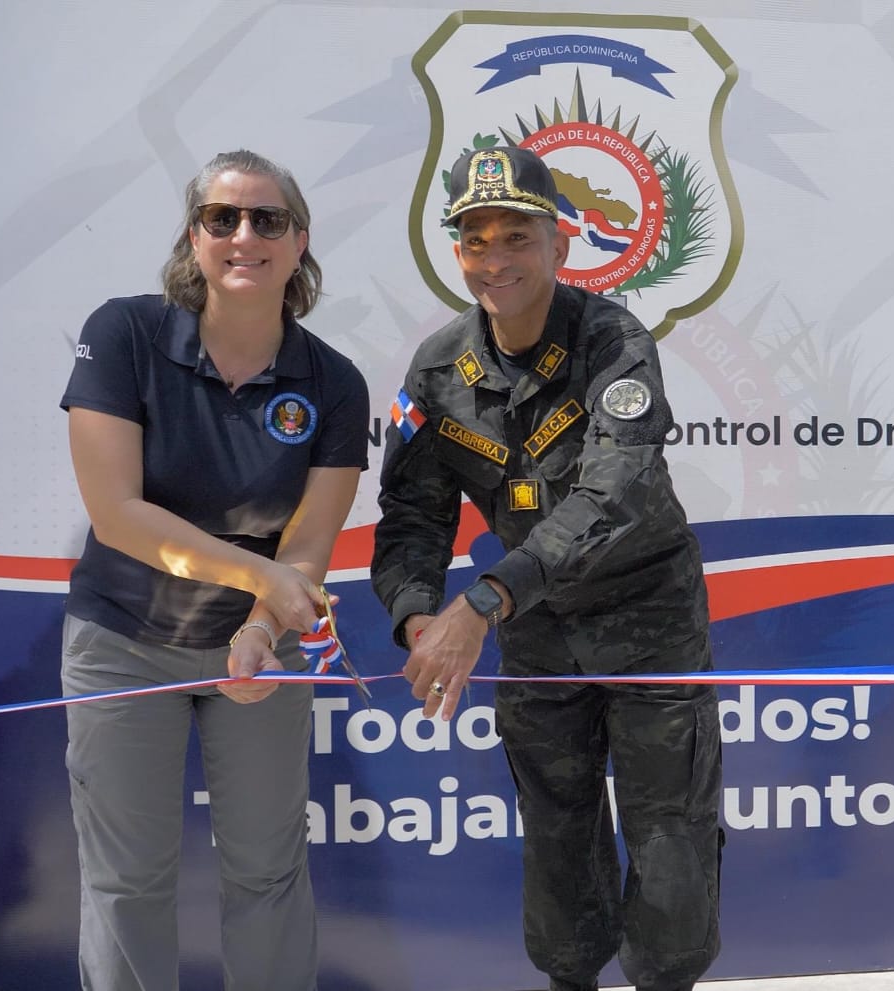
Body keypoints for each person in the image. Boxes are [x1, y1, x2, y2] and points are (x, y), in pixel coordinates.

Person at [371, 146, 722, 991]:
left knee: (670, 835)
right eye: (476, 239)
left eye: (517, 236)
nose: (496, 259)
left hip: (648, 627)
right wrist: (419, 612)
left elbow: (615, 493)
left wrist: (487, 597)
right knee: (558, 838)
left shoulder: (614, 342)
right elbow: (413, 515)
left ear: (559, 244)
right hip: (538, 637)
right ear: (456, 252)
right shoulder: (433, 372)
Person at [59, 149, 368, 990]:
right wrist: (262, 580)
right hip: (123, 641)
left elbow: (305, 550)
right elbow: (118, 515)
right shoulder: (122, 333)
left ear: (299, 242)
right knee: (128, 881)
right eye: (221, 218)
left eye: (267, 219)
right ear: (192, 238)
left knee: (268, 871)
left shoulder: (335, 383)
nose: (244, 235)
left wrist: (264, 623)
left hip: (258, 650)